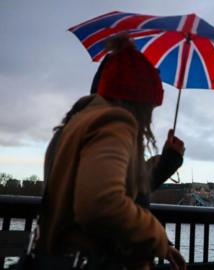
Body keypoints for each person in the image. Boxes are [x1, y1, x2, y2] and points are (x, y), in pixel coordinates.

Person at [36, 35, 186, 270]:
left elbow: (127, 188)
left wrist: (168, 160)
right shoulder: (114, 121)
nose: (148, 119)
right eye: (149, 108)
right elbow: (101, 202)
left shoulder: (75, 125)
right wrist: (155, 233)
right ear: (137, 103)